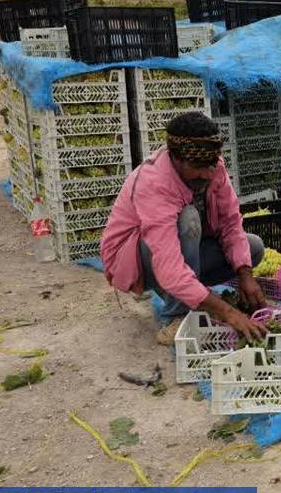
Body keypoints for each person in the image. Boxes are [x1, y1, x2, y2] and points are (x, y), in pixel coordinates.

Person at [100, 112, 269, 346]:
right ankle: (176, 316)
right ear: (176, 159)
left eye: (211, 165)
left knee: (253, 248)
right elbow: (168, 266)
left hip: (178, 252)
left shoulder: (213, 168)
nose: (207, 174)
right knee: (188, 219)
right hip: (135, 260)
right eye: (198, 167)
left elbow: (231, 223)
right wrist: (230, 314)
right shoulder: (154, 182)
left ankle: (190, 295)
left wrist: (245, 275)